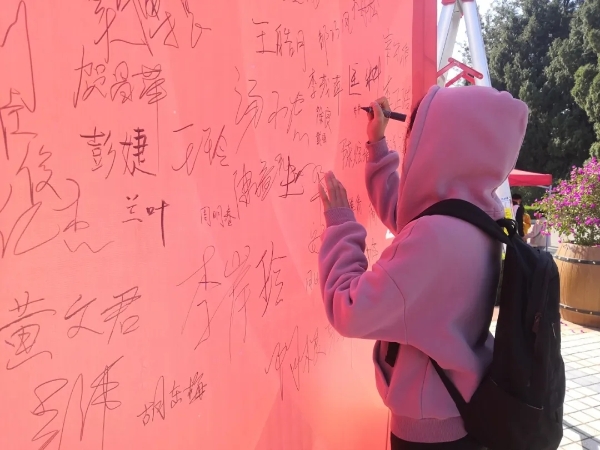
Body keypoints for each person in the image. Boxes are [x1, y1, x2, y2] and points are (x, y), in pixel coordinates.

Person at [317, 85, 528, 449]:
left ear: (443, 145)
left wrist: (341, 226)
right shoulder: (478, 220)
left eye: (420, 131)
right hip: (459, 413)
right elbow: (413, 218)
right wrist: (378, 148)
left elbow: (348, 308)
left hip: (426, 434)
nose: (413, 140)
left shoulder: (435, 238)